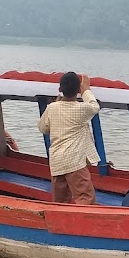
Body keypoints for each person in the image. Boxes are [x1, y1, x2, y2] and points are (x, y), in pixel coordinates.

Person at [37, 72, 100, 205]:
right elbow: (94, 106)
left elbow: (43, 128)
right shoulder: (81, 109)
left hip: (57, 162)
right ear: (78, 90)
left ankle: (61, 217)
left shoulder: (52, 108)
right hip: (74, 161)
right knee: (85, 197)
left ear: (60, 89)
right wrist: (86, 91)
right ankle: (84, 218)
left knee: (60, 201)